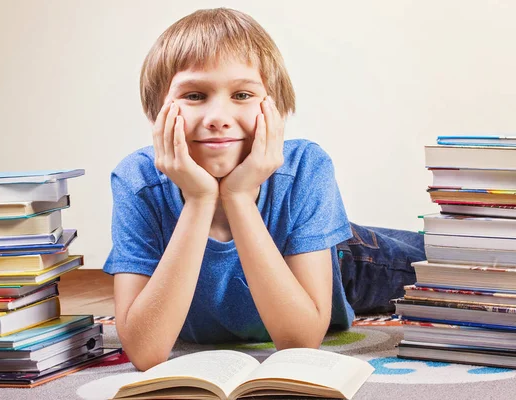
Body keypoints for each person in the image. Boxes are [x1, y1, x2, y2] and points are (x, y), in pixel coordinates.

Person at [103, 7, 425, 371]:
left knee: (470, 264)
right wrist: (199, 200)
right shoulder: (137, 181)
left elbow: (300, 343)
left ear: (276, 109)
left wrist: (238, 197)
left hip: (346, 261)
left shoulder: (305, 167)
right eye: (194, 95)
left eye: (242, 95)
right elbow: (145, 352)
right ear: (156, 112)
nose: (218, 117)